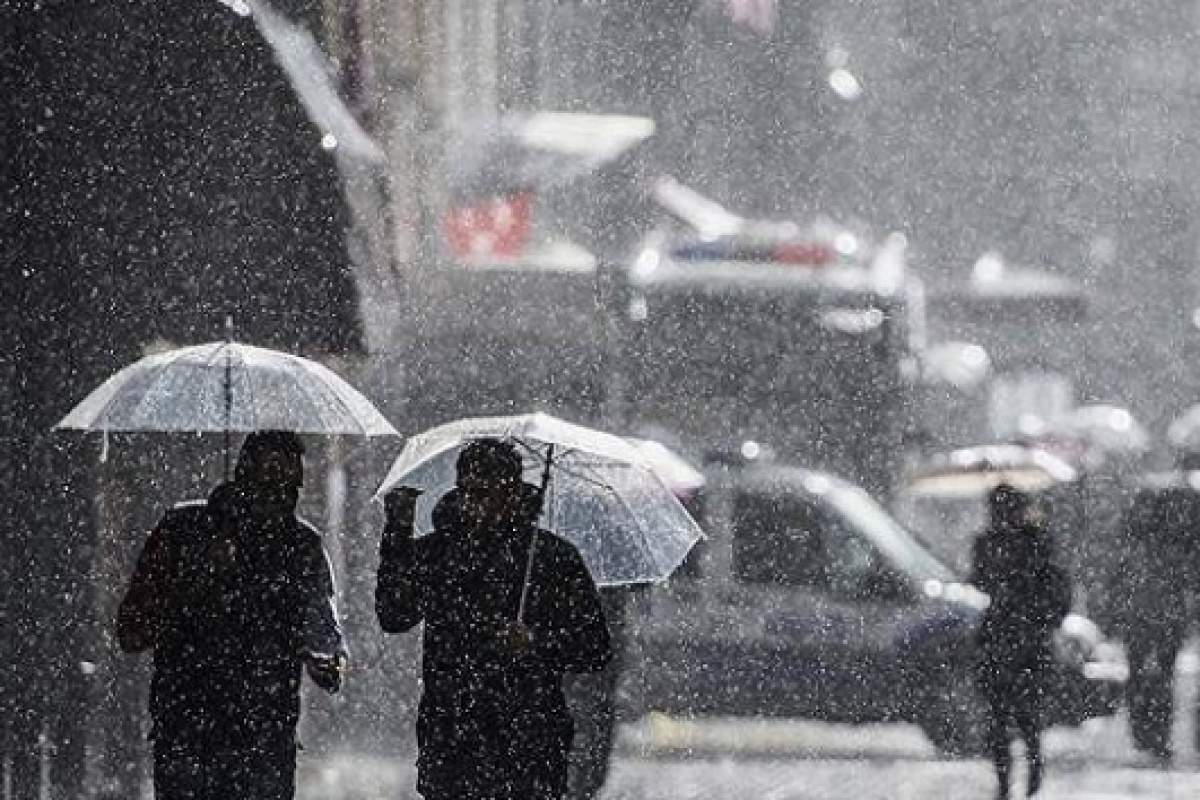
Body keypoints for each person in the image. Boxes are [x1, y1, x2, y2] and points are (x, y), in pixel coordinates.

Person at [376, 438, 612, 800]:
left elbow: (594, 648)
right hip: (452, 739)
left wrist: (535, 643)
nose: (474, 505)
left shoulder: (550, 558)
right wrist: (397, 533)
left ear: (514, 493)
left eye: (486, 493)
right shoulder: (440, 553)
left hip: (530, 743)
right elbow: (394, 615)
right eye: (468, 491)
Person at [117, 430, 347, 800]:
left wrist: (323, 661)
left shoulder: (303, 547)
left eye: (291, 476)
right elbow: (132, 631)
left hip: (264, 740)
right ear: (245, 471)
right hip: (189, 733)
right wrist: (200, 576)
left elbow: (325, 646)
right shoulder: (182, 530)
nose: (282, 486)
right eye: (270, 470)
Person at [968, 484, 1071, 800]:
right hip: (1001, 639)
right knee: (1001, 720)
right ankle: (1006, 783)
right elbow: (978, 580)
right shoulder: (987, 542)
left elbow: (1053, 588)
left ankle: (1032, 776)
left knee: (1025, 719)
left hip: (1026, 641)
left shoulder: (1036, 541)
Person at [1120, 450, 1200, 760]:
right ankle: (1156, 735)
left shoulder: (1141, 545)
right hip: (1167, 613)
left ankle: (1144, 734)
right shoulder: (1182, 539)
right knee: (1162, 675)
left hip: (1142, 612)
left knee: (1140, 673)